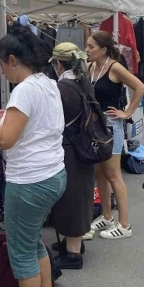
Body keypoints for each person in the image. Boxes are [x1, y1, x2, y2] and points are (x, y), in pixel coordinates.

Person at [0, 24, 66, 287]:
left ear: (14, 59)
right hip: (52, 174)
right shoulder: (47, 83)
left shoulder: (24, 90)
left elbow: (5, 139)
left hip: (29, 181)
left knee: (21, 249)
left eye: (2, 64)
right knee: (33, 243)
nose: (2, 71)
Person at [86, 31, 144, 239]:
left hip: (111, 125)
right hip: (95, 125)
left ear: (103, 49)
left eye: (91, 46)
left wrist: (127, 112)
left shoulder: (115, 67)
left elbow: (140, 87)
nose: (87, 50)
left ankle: (125, 224)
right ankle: (107, 216)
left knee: (113, 174)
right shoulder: (91, 66)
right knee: (100, 173)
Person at [48, 43, 95, 270]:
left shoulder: (62, 87)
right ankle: (72, 243)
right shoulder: (83, 81)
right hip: (85, 145)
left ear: (58, 63)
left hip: (69, 146)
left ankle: (73, 253)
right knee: (80, 194)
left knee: (71, 198)